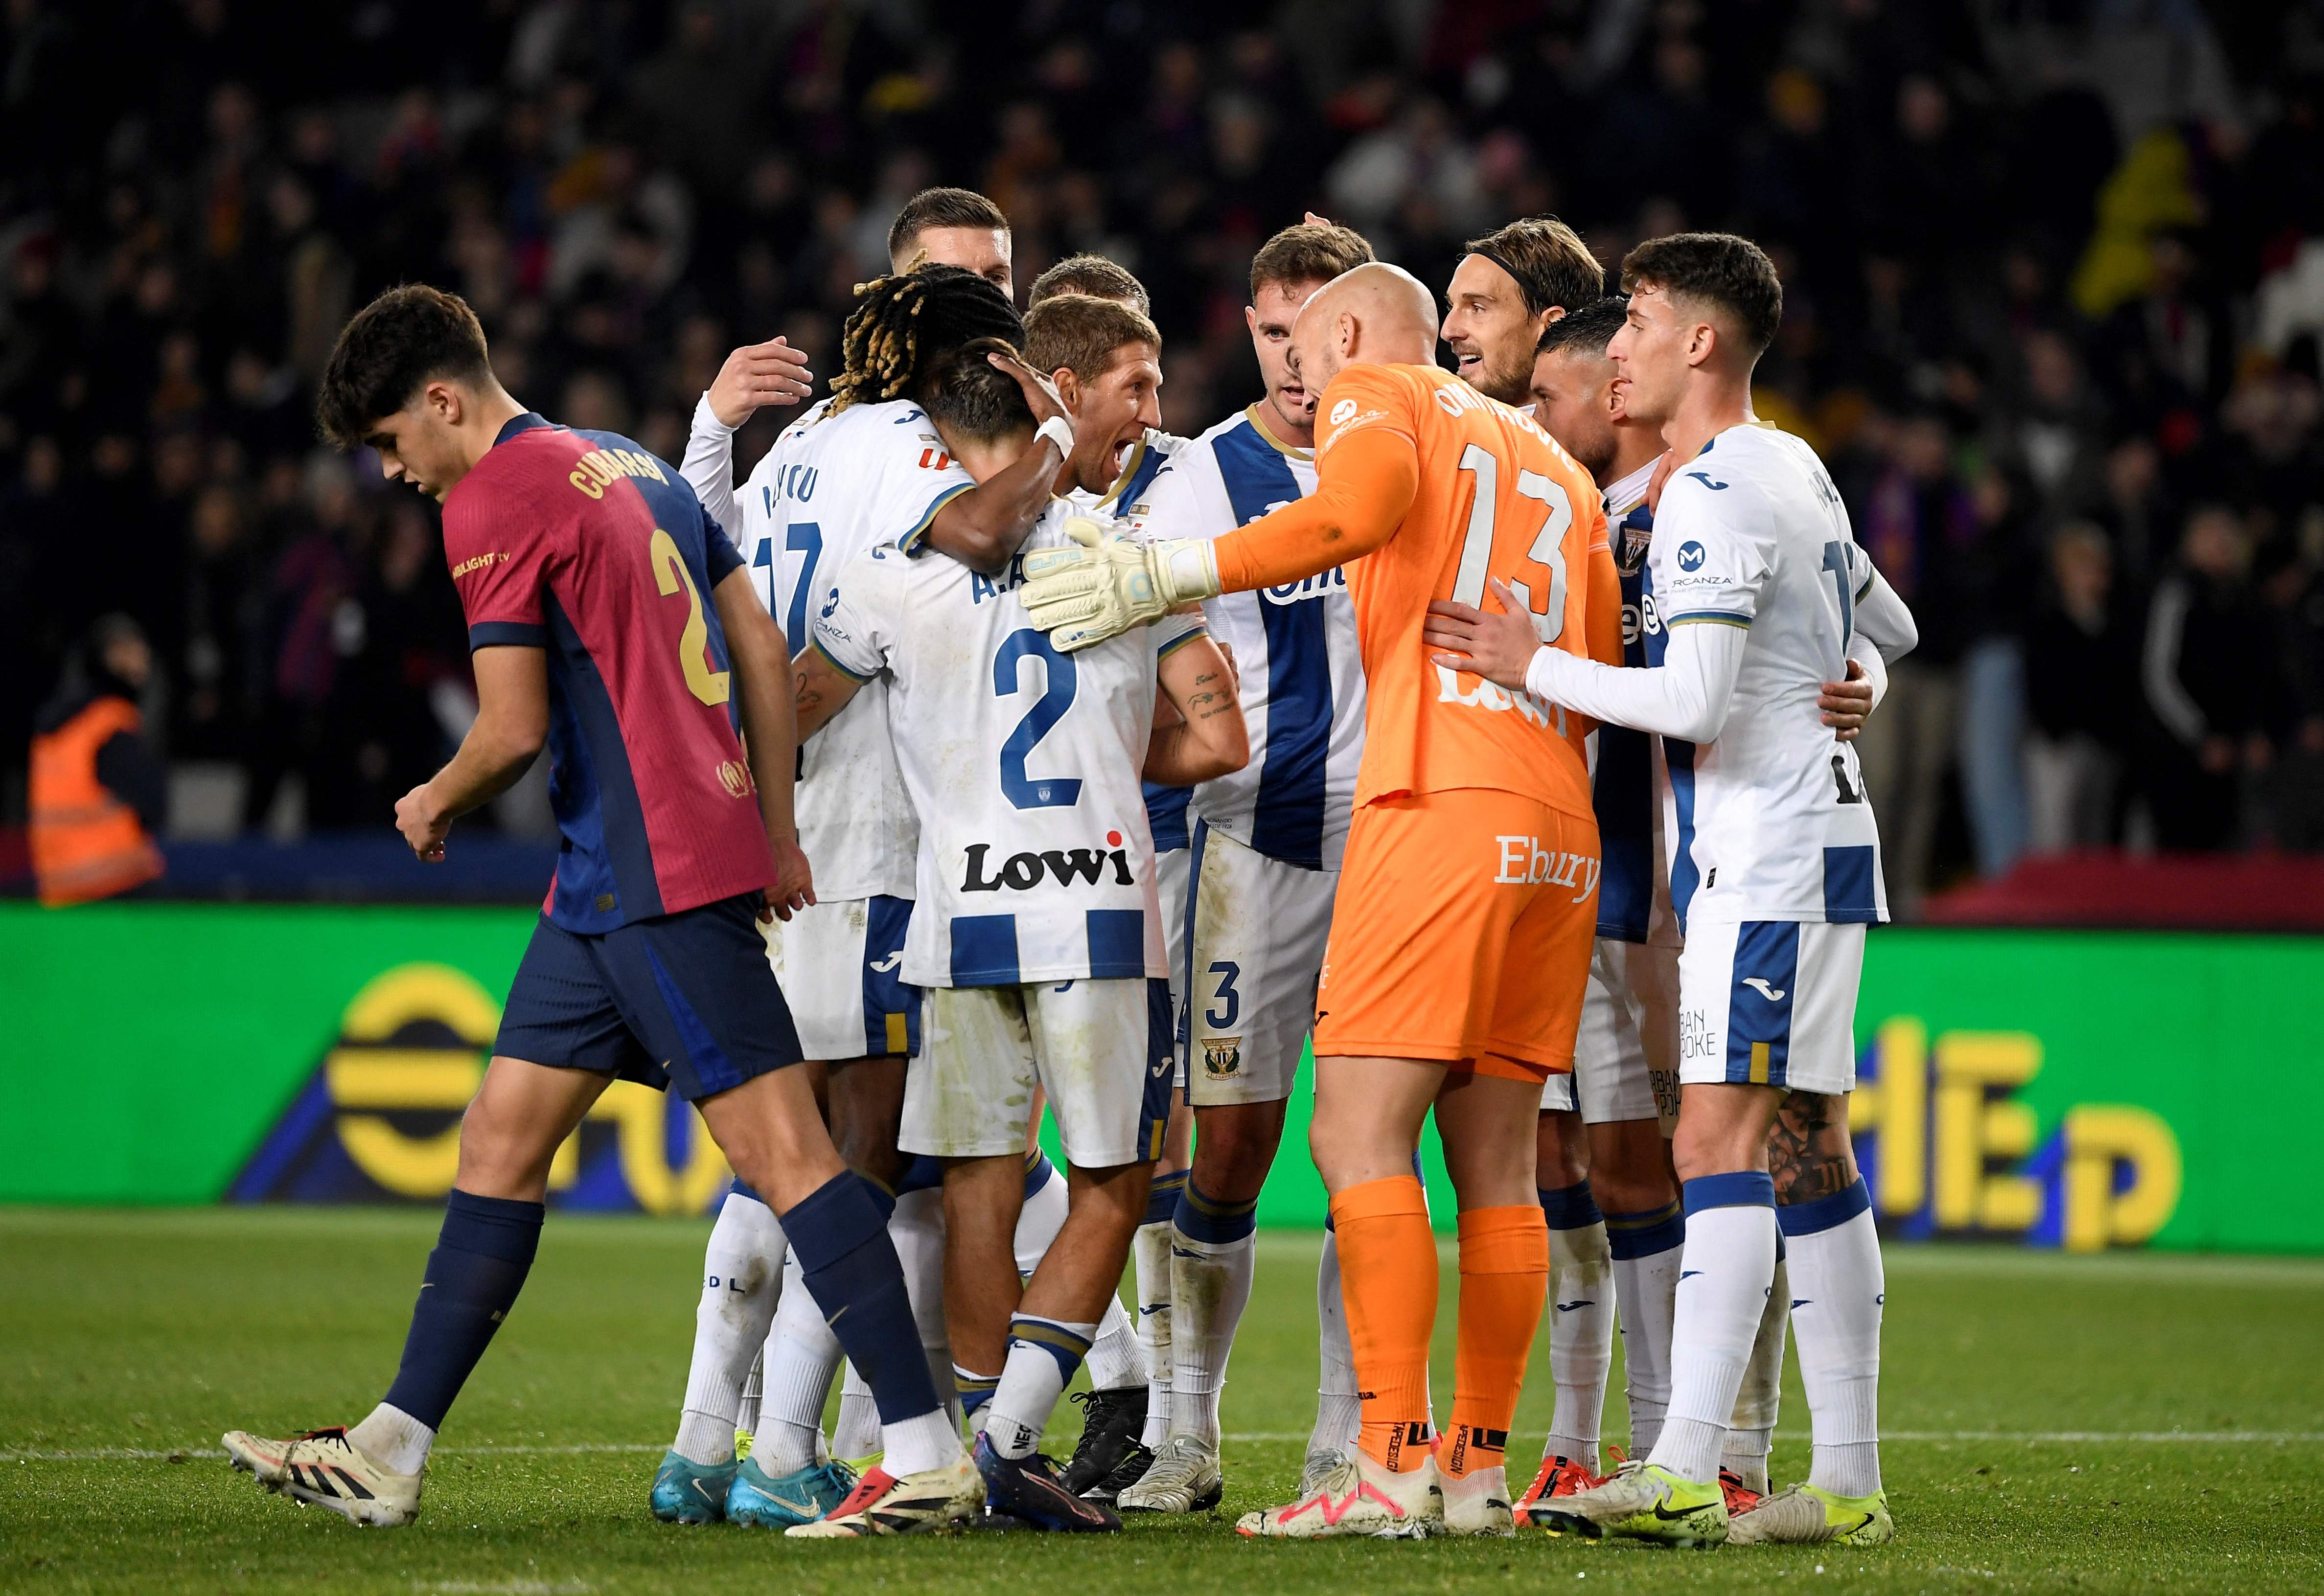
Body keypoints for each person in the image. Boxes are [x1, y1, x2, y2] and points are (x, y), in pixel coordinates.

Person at [220, 284, 980, 1536]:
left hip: (649, 872)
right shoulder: (621, 460)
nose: (397, 475)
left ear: (443, 402)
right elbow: (751, 634)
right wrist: (777, 826)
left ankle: (922, 1449)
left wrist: (434, 795)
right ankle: (393, 1448)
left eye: (391, 444)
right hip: (611, 879)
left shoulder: (490, 499)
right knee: (499, 1142)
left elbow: (511, 729)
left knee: (792, 1160)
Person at [1020, 261, 1621, 1540]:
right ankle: (1468, 1468)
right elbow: (1598, 662)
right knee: (1501, 1170)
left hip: (1432, 803)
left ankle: (1384, 1459)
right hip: (1556, 818)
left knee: (1355, 1140)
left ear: (1342, 330)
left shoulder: (1381, 392)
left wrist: (1165, 568)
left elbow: (1354, 510)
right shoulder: (1560, 465)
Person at [1424, 234, 1915, 1548]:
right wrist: (1847, 670)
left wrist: (1533, 662)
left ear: (1699, 342)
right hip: (1813, 843)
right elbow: (1893, 623)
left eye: (1636, 320)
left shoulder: (1706, 489)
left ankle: (1687, 1458)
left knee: (1710, 1142)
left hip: (1762, 855)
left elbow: (1691, 698)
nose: (1616, 343)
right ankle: (1849, 1478)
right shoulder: (1792, 462)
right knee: (1806, 1148)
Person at [791, 320, 1248, 1532]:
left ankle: (958, 1453)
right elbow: (1218, 738)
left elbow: (788, 707)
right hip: (1097, 907)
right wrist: (1109, 744)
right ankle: (1005, 1441)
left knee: (981, 1189)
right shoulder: (1125, 548)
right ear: (1033, 405)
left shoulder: (895, 563)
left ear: (940, 434)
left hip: (957, 917)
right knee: (1109, 1186)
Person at [662, 257, 1071, 1528]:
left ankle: (701, 1443)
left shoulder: (799, 449)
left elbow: (696, 580)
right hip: (879, 830)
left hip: (778, 824)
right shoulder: (918, 454)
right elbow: (951, 563)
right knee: (869, 1161)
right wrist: (1051, 432)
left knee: (789, 1152)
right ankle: (783, 1446)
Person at [1104, 218, 1379, 1515]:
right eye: (1269, 328)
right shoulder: (1197, 477)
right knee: (1226, 1152)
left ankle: (1342, 1437)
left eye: (1313, 328)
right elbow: (1135, 641)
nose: (1288, 355)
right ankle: (1185, 1431)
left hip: (1395, 852)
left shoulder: (1426, 453)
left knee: (1365, 1151)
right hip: (1248, 854)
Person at [29, 614, 166, 907]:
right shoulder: (111, 723)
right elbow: (153, 804)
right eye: (125, 652)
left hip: (58, 887)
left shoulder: (54, 728)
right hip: (119, 881)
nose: (138, 662)